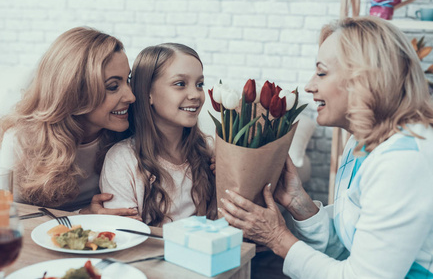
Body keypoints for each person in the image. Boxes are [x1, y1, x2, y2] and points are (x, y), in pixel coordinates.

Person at [219, 16, 433, 278]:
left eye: (321, 72)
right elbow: (346, 248)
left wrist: (277, 237)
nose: (309, 85)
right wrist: (299, 203)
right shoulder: (362, 142)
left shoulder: (405, 162)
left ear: (365, 79)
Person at [0, 27, 139, 216]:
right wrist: (83, 214)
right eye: (112, 86)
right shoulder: (21, 140)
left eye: (128, 80)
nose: (131, 96)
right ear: (74, 92)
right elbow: (14, 217)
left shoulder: (126, 132)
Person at [100, 43, 217, 226]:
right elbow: (125, 232)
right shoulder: (122, 160)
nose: (195, 94)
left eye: (199, 84)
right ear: (148, 94)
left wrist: (226, 174)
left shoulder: (208, 151)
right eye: (180, 84)